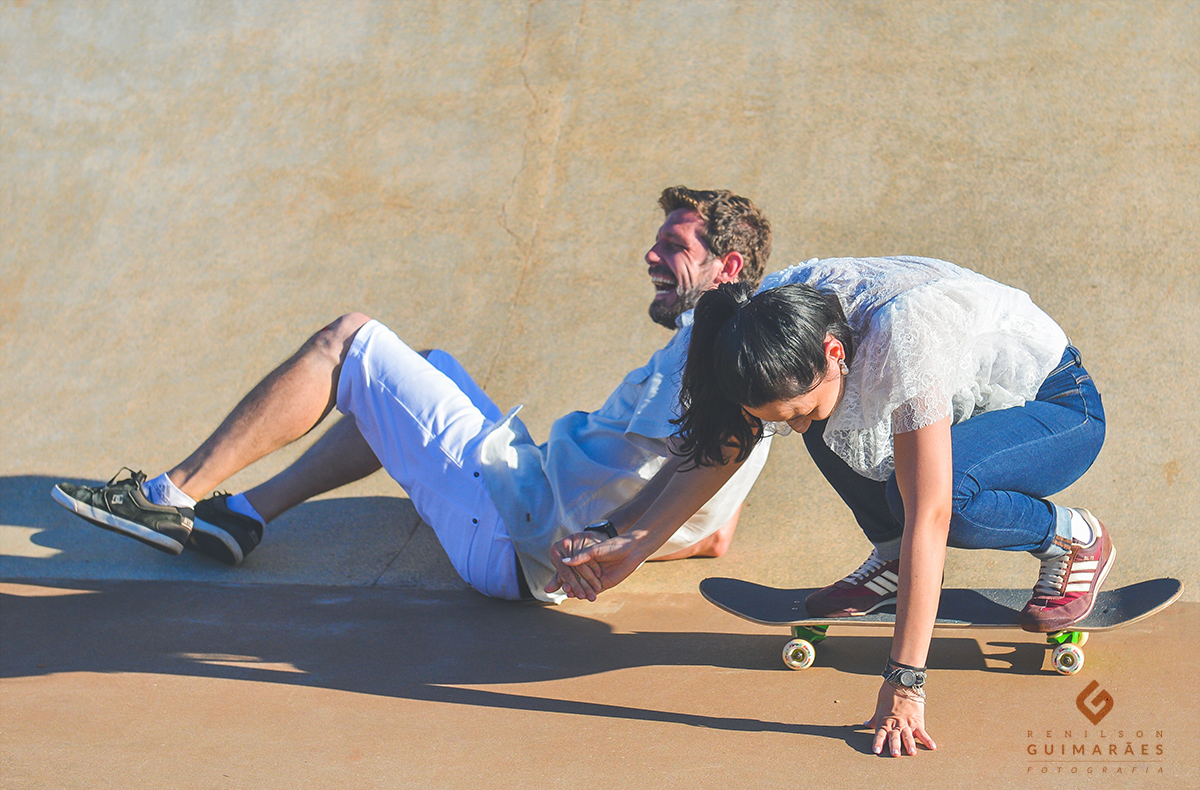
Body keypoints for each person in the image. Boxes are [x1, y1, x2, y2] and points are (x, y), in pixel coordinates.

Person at [51, 187, 774, 603]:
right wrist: (629, 544)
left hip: (507, 528)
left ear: (726, 265)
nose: (651, 255)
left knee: (351, 340)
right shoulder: (757, 375)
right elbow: (715, 533)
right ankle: (242, 516)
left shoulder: (699, 357)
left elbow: (692, 462)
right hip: (524, 523)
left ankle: (169, 496)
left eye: (675, 246)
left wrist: (595, 545)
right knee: (422, 367)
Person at [548, 256, 1110, 756]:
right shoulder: (770, 324)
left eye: (795, 410)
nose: (792, 426)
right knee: (837, 426)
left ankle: (1072, 536)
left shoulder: (906, 338)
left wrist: (905, 682)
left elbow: (931, 515)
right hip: (962, 407)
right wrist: (625, 536)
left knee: (943, 494)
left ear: (834, 352)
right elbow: (721, 445)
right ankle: (890, 560)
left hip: (1056, 407)